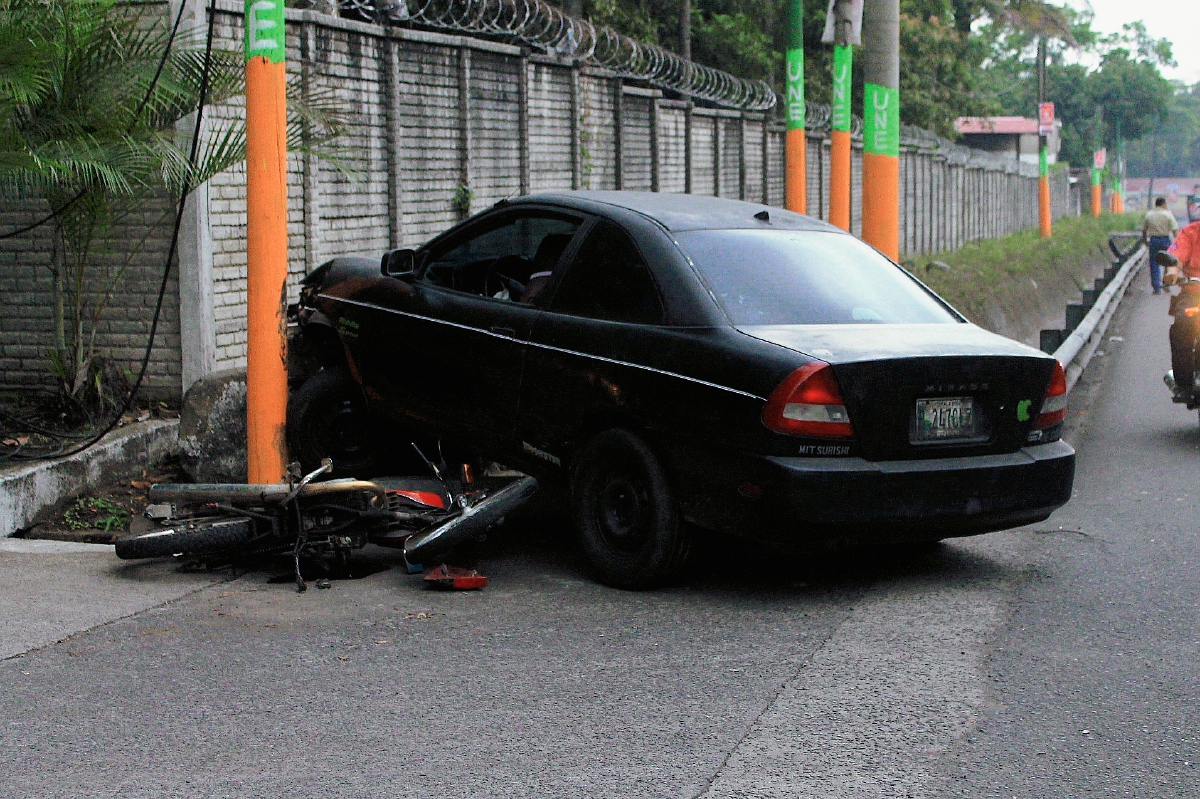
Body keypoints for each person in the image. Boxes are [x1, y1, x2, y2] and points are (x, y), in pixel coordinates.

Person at [1164, 217, 1200, 401]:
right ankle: (1183, 382)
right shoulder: (1190, 232)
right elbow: (1176, 258)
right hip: (1193, 292)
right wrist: (1172, 272)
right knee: (1182, 326)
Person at [1143, 197, 1179, 293]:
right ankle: (1166, 283)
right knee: (1169, 262)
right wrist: (1177, 243)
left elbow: (1144, 230)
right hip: (1165, 240)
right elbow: (1175, 229)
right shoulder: (1168, 214)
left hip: (1154, 240)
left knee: (1154, 263)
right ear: (1163, 204)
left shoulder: (1149, 215)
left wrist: (1145, 241)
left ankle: (1157, 287)